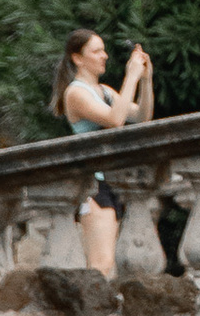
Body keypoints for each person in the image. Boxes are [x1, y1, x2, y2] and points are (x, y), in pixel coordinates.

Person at [53, 27, 153, 277]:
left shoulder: (105, 92)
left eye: (104, 50)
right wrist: (130, 75)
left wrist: (146, 80)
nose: (104, 56)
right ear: (78, 58)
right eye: (97, 51)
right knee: (101, 263)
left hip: (111, 181)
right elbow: (115, 119)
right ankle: (90, 312)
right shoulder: (75, 93)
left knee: (109, 264)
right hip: (92, 185)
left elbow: (142, 116)